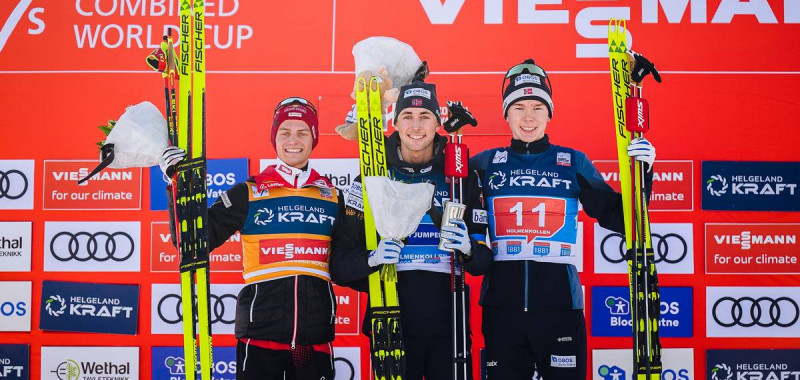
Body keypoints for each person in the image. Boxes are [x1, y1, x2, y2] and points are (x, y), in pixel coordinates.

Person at [469, 59, 656, 379]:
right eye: (519, 108)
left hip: (560, 310)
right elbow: (464, 226)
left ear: (549, 113)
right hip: (502, 311)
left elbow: (621, 218)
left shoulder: (571, 163)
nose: (528, 117)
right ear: (506, 113)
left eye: (537, 107)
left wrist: (644, 173)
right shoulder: (484, 165)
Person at [160, 97, 344, 380]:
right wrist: (176, 187)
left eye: (302, 132)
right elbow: (194, 241)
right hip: (260, 339)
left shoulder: (332, 196)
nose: (293, 140)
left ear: (313, 138)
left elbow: (347, 261)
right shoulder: (249, 192)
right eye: (284, 132)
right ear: (274, 139)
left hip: (313, 339)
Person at [330, 80, 493, 380]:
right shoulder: (372, 174)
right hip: (391, 325)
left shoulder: (461, 174)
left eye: (425, 116)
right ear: (394, 122)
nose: (416, 126)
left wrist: (468, 248)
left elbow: (484, 262)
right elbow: (340, 266)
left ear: (437, 123)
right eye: (407, 116)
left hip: (449, 327)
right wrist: (372, 258)